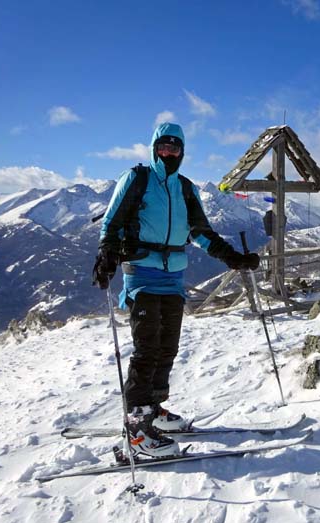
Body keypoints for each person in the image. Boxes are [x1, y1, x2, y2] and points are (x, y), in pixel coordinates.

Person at [93, 122, 259, 457]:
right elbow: (112, 221)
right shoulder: (137, 180)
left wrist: (232, 258)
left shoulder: (186, 188)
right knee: (146, 349)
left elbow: (201, 232)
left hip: (173, 278)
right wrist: (105, 254)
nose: (169, 152)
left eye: (175, 148)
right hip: (141, 273)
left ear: (182, 152)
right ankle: (137, 432)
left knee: (167, 348)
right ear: (154, 148)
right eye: (163, 147)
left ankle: (152, 410)